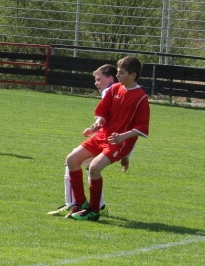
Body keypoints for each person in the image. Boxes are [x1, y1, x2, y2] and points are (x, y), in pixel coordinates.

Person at [64, 56, 150, 221]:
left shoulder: (140, 98)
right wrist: (98, 123)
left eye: (122, 72)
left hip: (120, 143)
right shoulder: (114, 89)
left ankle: (94, 211)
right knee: (72, 159)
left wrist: (121, 137)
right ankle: (80, 204)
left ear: (133, 75)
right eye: (117, 71)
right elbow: (103, 113)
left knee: (95, 168)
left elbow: (142, 129)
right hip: (102, 136)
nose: (118, 75)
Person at [48, 64, 122, 216]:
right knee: (86, 165)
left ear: (110, 79)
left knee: (72, 161)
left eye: (98, 79)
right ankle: (98, 206)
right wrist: (95, 127)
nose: (96, 83)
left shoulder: (110, 91)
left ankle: (74, 203)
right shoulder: (117, 91)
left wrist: (97, 127)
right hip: (109, 139)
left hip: (112, 141)